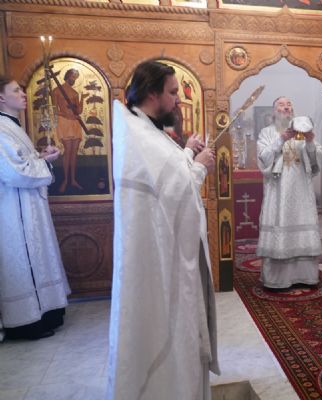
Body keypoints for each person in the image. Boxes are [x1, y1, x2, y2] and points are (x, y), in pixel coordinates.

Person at [108, 61, 219, 400]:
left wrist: (186, 154)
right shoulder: (141, 134)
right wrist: (199, 168)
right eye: (172, 92)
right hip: (158, 261)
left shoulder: (142, 129)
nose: (178, 100)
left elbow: (165, 176)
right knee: (164, 325)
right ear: (152, 94)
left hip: (159, 252)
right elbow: (173, 193)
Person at [0, 76, 70, 340]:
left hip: (27, 206)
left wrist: (40, 157)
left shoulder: (11, 126)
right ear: (1, 98)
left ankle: (47, 313)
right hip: (14, 210)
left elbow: (22, 161)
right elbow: (13, 172)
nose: (23, 94)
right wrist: (46, 163)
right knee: (25, 257)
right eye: (16, 90)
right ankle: (26, 323)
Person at [256, 97, 322, 290]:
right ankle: (278, 279)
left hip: (301, 190)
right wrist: (281, 139)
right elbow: (263, 158)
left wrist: (310, 142)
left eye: (289, 105)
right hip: (278, 190)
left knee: (302, 226)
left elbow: (316, 159)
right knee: (280, 224)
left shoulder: (303, 130)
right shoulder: (267, 132)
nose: (286, 107)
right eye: (281, 105)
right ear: (274, 111)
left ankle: (305, 277)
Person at [51, 68, 89, 193]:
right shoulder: (56, 91)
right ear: (67, 76)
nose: (74, 80)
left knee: (74, 152)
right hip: (64, 122)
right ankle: (65, 180)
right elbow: (55, 110)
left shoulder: (74, 93)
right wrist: (66, 114)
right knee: (68, 151)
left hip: (75, 123)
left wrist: (82, 99)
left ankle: (73, 180)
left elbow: (78, 111)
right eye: (73, 77)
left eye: (76, 78)